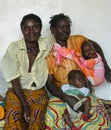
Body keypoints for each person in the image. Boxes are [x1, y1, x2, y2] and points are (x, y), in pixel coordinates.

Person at [45, 13, 111, 129]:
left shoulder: (77, 40)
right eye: (62, 27)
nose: (66, 30)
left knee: (96, 115)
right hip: (63, 93)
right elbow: (50, 83)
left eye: (68, 27)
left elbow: (94, 46)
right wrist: (67, 98)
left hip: (84, 91)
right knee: (52, 112)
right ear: (52, 29)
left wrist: (105, 66)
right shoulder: (50, 55)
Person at [2, 14, 52, 130]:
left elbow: (64, 41)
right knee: (13, 115)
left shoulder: (47, 45)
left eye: (35, 27)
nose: (31, 31)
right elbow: (14, 79)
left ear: (40, 29)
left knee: (37, 117)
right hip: (16, 91)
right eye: (27, 28)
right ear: (22, 30)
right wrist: (24, 105)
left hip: (38, 92)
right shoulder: (14, 48)